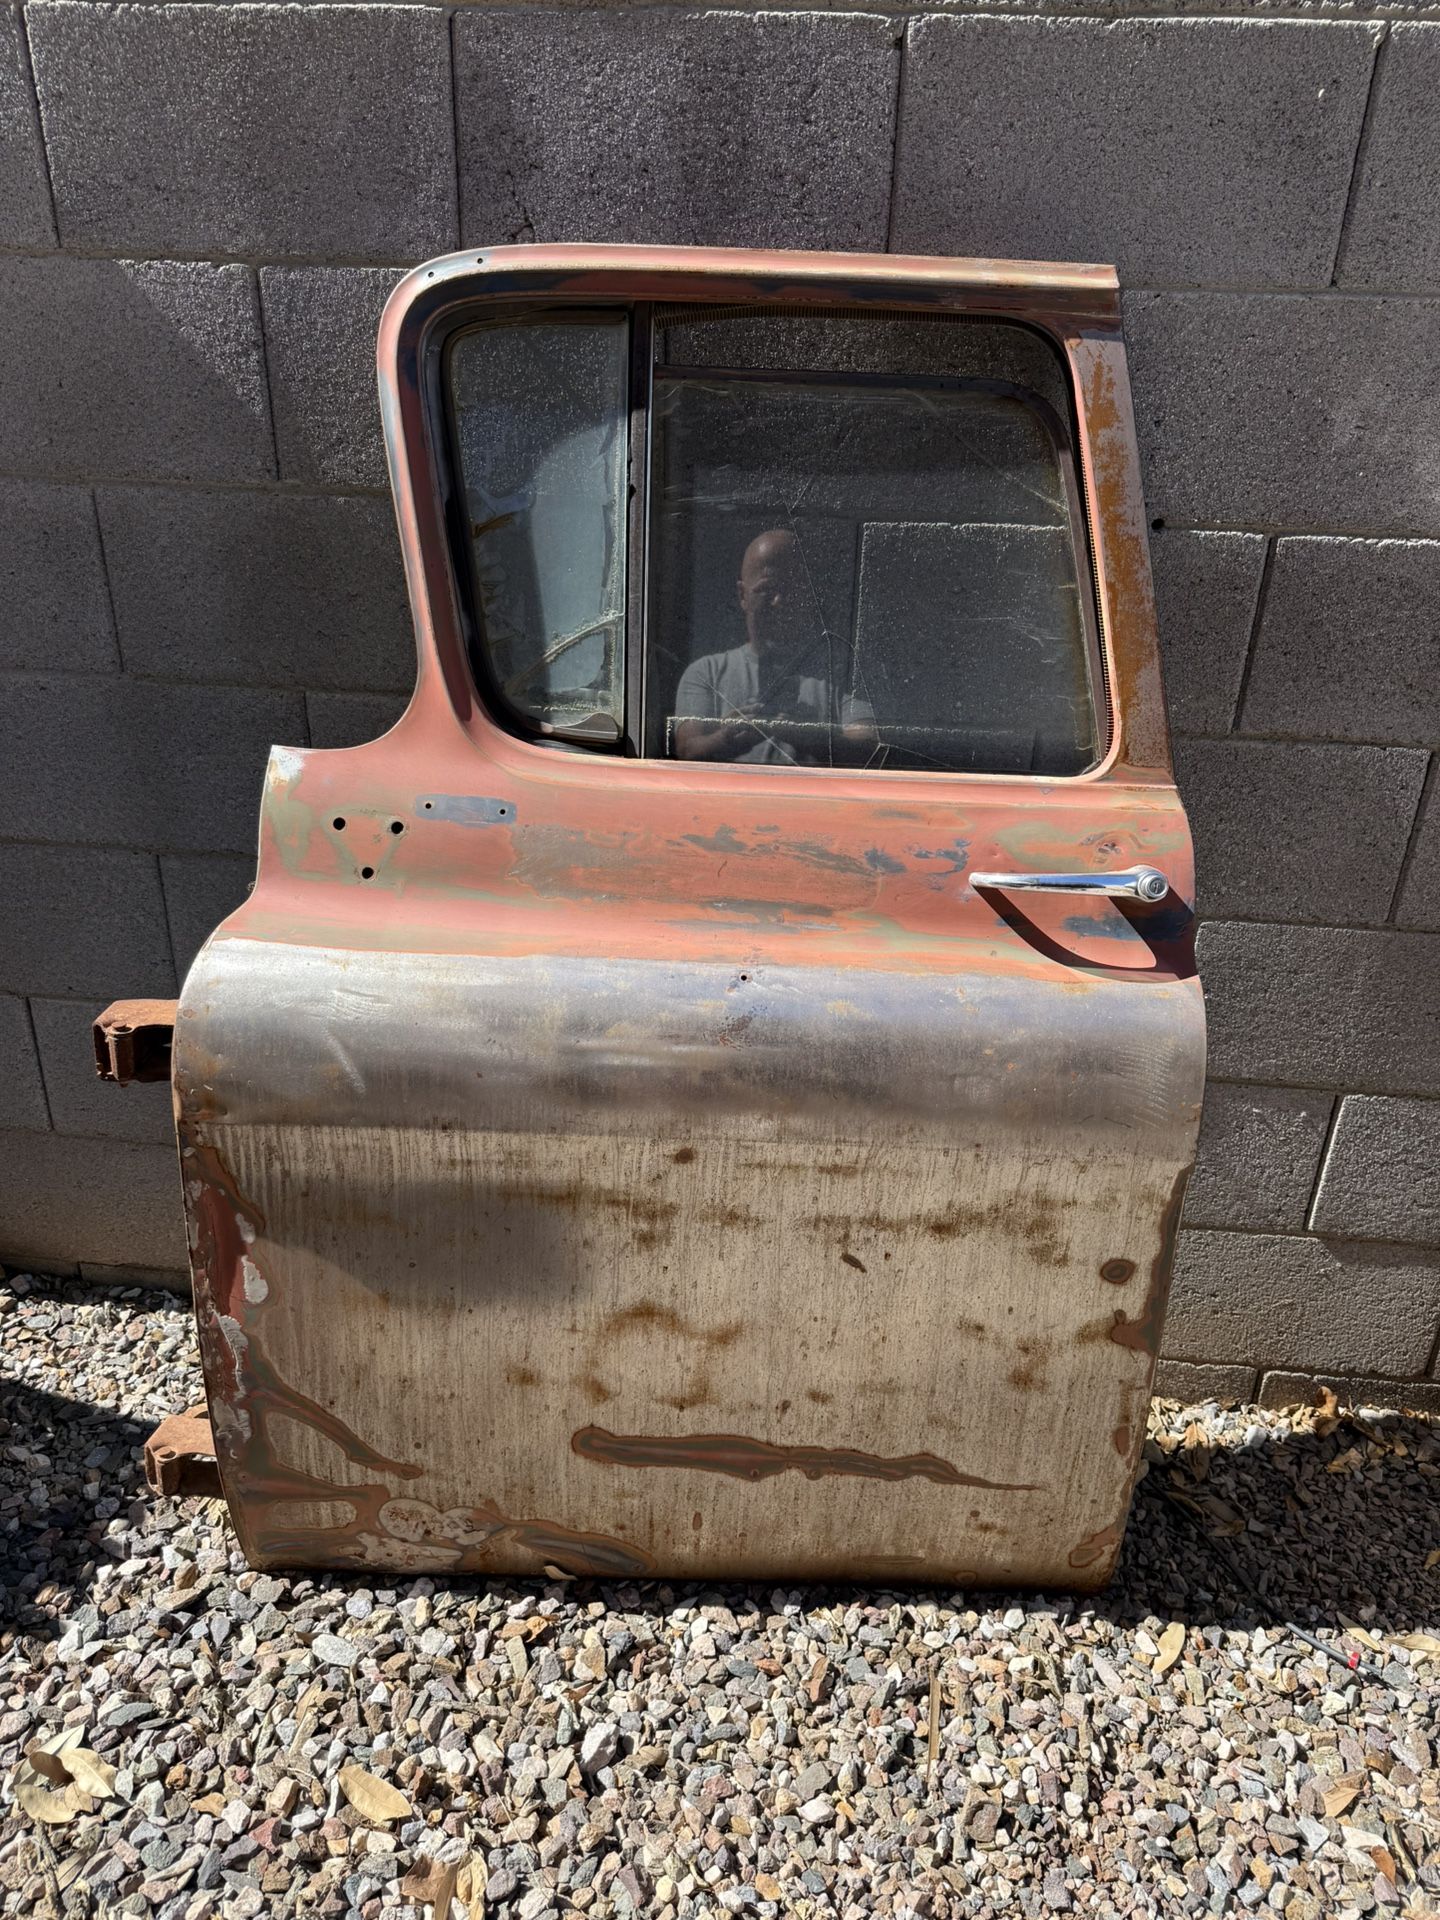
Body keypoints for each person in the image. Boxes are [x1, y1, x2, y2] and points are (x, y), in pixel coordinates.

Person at [673, 529, 874, 764]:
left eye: (791, 590)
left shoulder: (843, 672)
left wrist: (813, 737)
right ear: (742, 594)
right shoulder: (706, 673)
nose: (779, 602)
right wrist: (728, 738)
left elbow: (871, 751)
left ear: (807, 596)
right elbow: (686, 751)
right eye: (766, 590)